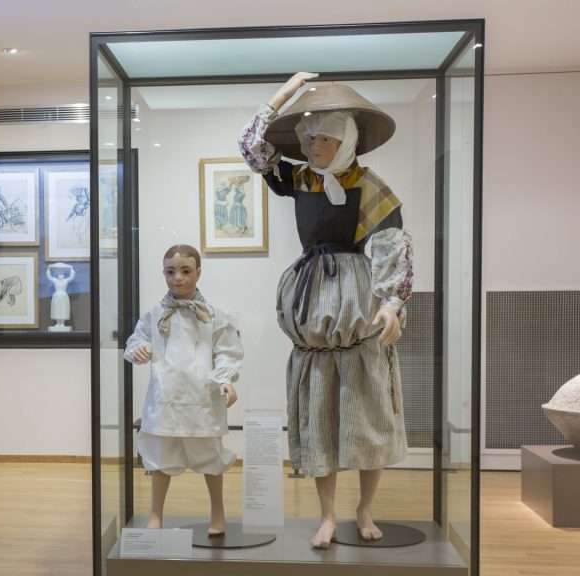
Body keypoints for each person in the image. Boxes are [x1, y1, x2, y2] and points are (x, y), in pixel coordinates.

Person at [239, 72, 413, 548]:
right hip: (314, 298)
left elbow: (393, 250)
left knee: (368, 411)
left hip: (358, 300)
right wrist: (282, 96)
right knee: (320, 415)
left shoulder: (374, 188)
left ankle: (365, 508)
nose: (314, 146)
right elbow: (252, 146)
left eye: (325, 138)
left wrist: (393, 304)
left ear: (346, 140)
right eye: (309, 137)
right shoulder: (299, 178)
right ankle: (328, 515)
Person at [124, 244, 243, 536]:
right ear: (163, 273)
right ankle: (155, 514)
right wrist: (138, 349)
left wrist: (226, 379)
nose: (178, 277)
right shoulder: (154, 314)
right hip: (166, 397)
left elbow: (227, 351)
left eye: (185, 271)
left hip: (203, 397)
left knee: (211, 459)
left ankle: (218, 512)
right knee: (161, 459)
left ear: (198, 273)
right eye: (170, 271)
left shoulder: (215, 315)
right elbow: (135, 340)